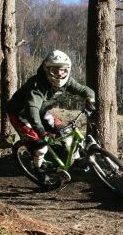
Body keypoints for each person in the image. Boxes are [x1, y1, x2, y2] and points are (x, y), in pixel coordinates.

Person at [7, 49, 96, 184]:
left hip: (42, 112)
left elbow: (84, 90)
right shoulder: (37, 85)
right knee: (40, 145)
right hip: (21, 114)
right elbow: (32, 110)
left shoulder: (67, 82)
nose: (60, 74)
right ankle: (39, 170)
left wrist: (90, 99)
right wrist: (42, 132)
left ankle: (77, 159)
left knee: (66, 132)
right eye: (55, 70)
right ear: (46, 69)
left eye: (63, 70)